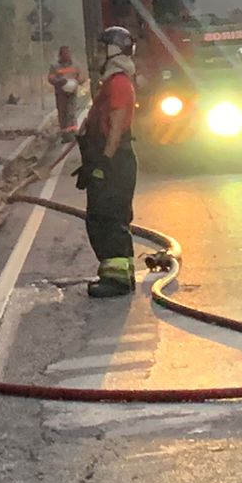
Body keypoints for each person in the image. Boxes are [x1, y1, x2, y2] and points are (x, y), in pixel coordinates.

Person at [75, 25, 139, 298]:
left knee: (107, 218)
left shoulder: (119, 83)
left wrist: (104, 163)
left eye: (102, 48)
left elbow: (116, 125)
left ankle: (116, 280)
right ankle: (119, 272)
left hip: (113, 162)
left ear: (112, 51)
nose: (97, 53)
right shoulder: (112, 81)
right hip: (108, 160)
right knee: (105, 216)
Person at [47, 45, 84, 133]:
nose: (67, 55)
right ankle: (64, 133)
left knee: (71, 113)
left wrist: (76, 81)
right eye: (65, 54)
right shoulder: (55, 66)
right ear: (60, 55)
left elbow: (82, 77)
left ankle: (73, 132)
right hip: (61, 93)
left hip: (72, 93)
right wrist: (60, 81)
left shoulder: (75, 65)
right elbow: (50, 78)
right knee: (62, 114)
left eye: (68, 53)